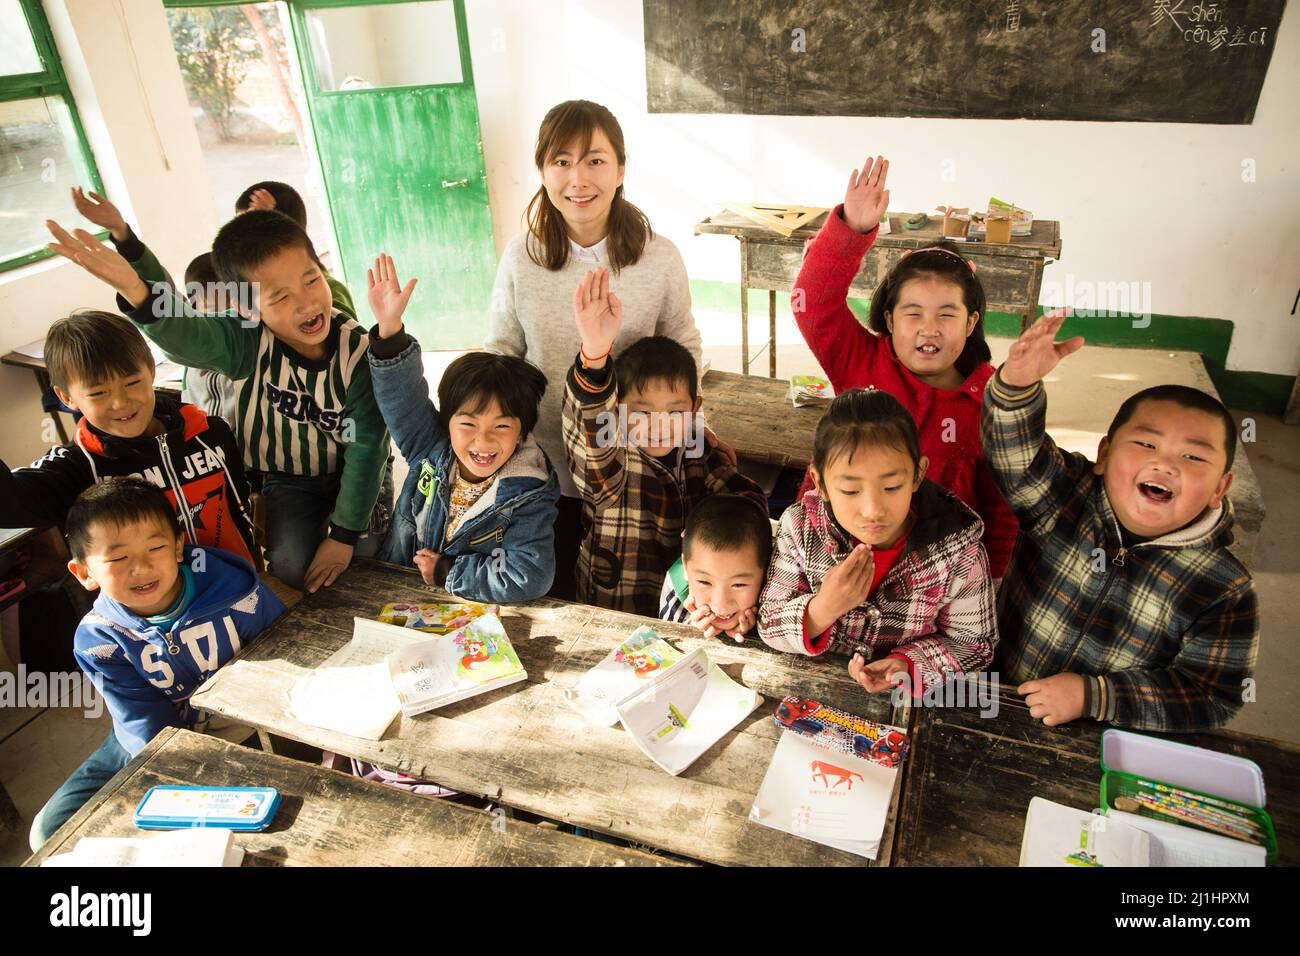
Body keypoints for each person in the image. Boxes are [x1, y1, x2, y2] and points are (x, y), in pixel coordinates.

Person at [982, 310, 1258, 730]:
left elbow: (1212, 695)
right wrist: (1016, 387)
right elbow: (1014, 455)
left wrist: (1095, 696)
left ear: (1221, 486)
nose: (1164, 464)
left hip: (1102, 739)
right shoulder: (1065, 494)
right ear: (1105, 454)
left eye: (1193, 456)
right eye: (1146, 443)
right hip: (996, 694)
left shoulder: (1223, 587)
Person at [29, 478, 285, 848]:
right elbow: (143, 724)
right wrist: (184, 781)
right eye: (118, 558)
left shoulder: (233, 590)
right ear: (84, 572)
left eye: (156, 547)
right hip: (148, 737)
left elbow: (285, 662)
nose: (141, 567)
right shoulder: (98, 640)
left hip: (240, 730)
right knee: (49, 830)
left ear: (179, 546)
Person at [759, 388, 997, 698]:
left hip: (905, 707)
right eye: (850, 491)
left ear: (917, 475)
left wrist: (909, 666)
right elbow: (769, 622)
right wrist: (821, 610)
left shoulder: (957, 550)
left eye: (891, 486)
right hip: (813, 696)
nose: (873, 510)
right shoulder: (801, 528)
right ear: (821, 484)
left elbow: (974, 644)